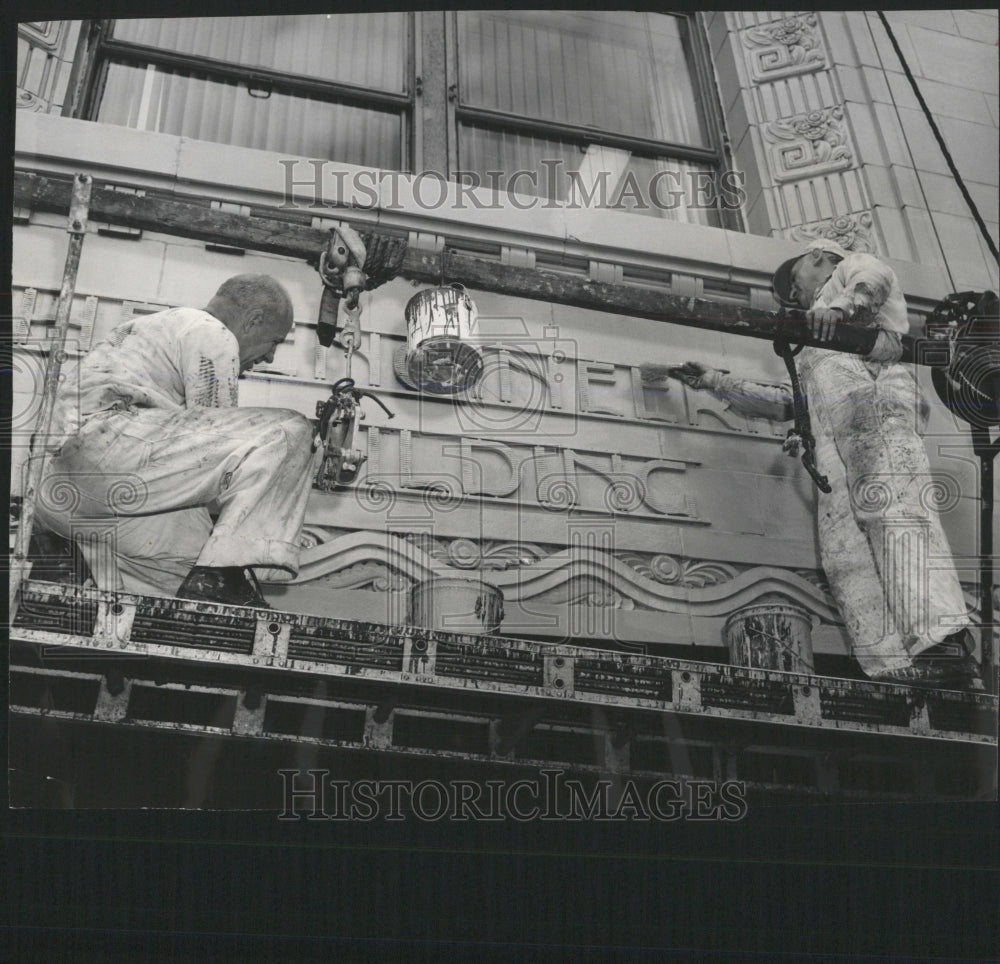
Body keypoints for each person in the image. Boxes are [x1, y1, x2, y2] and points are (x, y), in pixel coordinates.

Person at [645, 241, 981, 690]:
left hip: (878, 418)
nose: (791, 294)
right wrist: (714, 382)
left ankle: (945, 642)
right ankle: (894, 667)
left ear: (820, 258)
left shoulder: (849, 277)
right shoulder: (811, 344)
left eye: (793, 281)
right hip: (835, 447)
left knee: (898, 518)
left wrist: (841, 308)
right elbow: (790, 403)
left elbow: (873, 279)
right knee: (845, 556)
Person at [35, 274, 320, 607]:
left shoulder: (145, 331)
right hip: (112, 449)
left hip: (58, 493)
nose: (270, 357)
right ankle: (224, 567)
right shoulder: (211, 331)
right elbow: (216, 439)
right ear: (253, 320)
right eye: (274, 341)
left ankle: (63, 563)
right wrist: (295, 459)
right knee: (292, 431)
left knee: (192, 572)